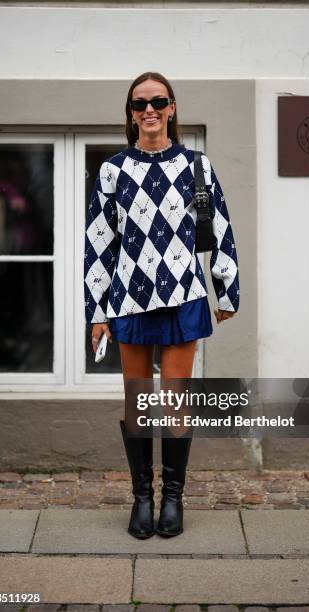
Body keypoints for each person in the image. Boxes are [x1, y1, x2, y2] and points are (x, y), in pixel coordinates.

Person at [84, 71, 240, 539]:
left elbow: (222, 231)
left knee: (173, 404)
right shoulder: (113, 170)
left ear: (172, 107)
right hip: (129, 298)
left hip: (183, 297)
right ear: (130, 114)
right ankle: (142, 499)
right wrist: (97, 310)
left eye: (157, 101)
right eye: (139, 104)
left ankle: (173, 499)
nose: (148, 110)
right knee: (137, 404)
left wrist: (225, 289)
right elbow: (99, 242)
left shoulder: (197, 166)